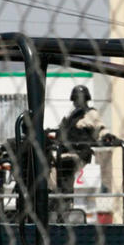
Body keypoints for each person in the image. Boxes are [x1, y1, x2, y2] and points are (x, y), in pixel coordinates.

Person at [51, 85, 119, 221]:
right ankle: (54, 204)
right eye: (76, 99)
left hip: (79, 153)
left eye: (80, 99)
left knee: (66, 169)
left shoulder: (90, 114)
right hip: (62, 153)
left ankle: (64, 206)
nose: (77, 102)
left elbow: (100, 127)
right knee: (50, 169)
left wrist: (106, 136)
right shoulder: (71, 116)